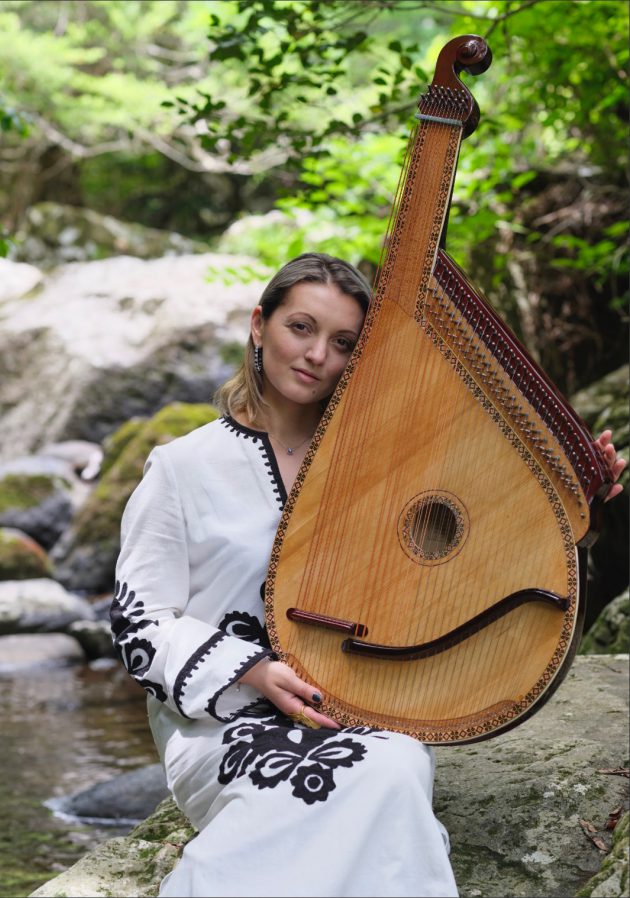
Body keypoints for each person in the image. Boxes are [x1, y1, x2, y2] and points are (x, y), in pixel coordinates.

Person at [111, 252, 625, 898]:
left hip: (361, 703)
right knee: (376, 773)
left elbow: (484, 559)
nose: (317, 354)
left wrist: (580, 501)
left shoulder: (379, 465)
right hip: (228, 724)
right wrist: (252, 669)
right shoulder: (181, 468)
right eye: (301, 327)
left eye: (343, 343)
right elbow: (137, 624)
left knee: (397, 760)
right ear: (258, 325)